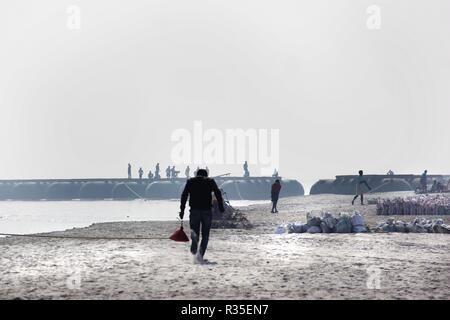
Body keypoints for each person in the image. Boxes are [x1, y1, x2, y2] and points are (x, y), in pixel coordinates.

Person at [180, 169, 224, 264]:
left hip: (194, 211)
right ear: (206, 175)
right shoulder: (210, 181)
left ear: (197, 174)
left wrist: (182, 210)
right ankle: (200, 256)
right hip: (206, 211)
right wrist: (221, 206)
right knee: (205, 235)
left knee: (194, 233)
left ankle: (194, 249)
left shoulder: (191, 181)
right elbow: (218, 193)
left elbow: (184, 196)